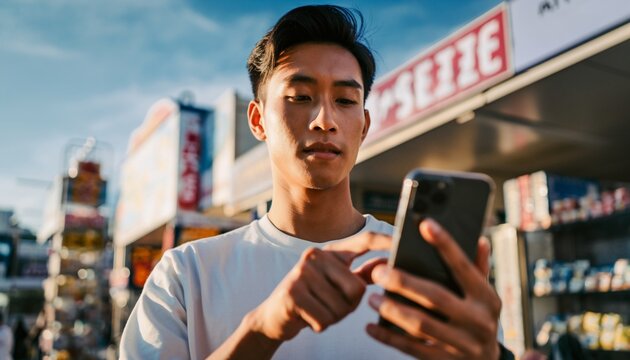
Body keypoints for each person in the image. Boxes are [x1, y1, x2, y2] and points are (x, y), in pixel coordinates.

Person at [120, 5, 511, 359]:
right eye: (300, 96)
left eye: (345, 101)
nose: (325, 119)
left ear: (364, 126)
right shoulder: (187, 276)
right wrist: (262, 329)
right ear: (258, 121)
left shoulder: (412, 271)